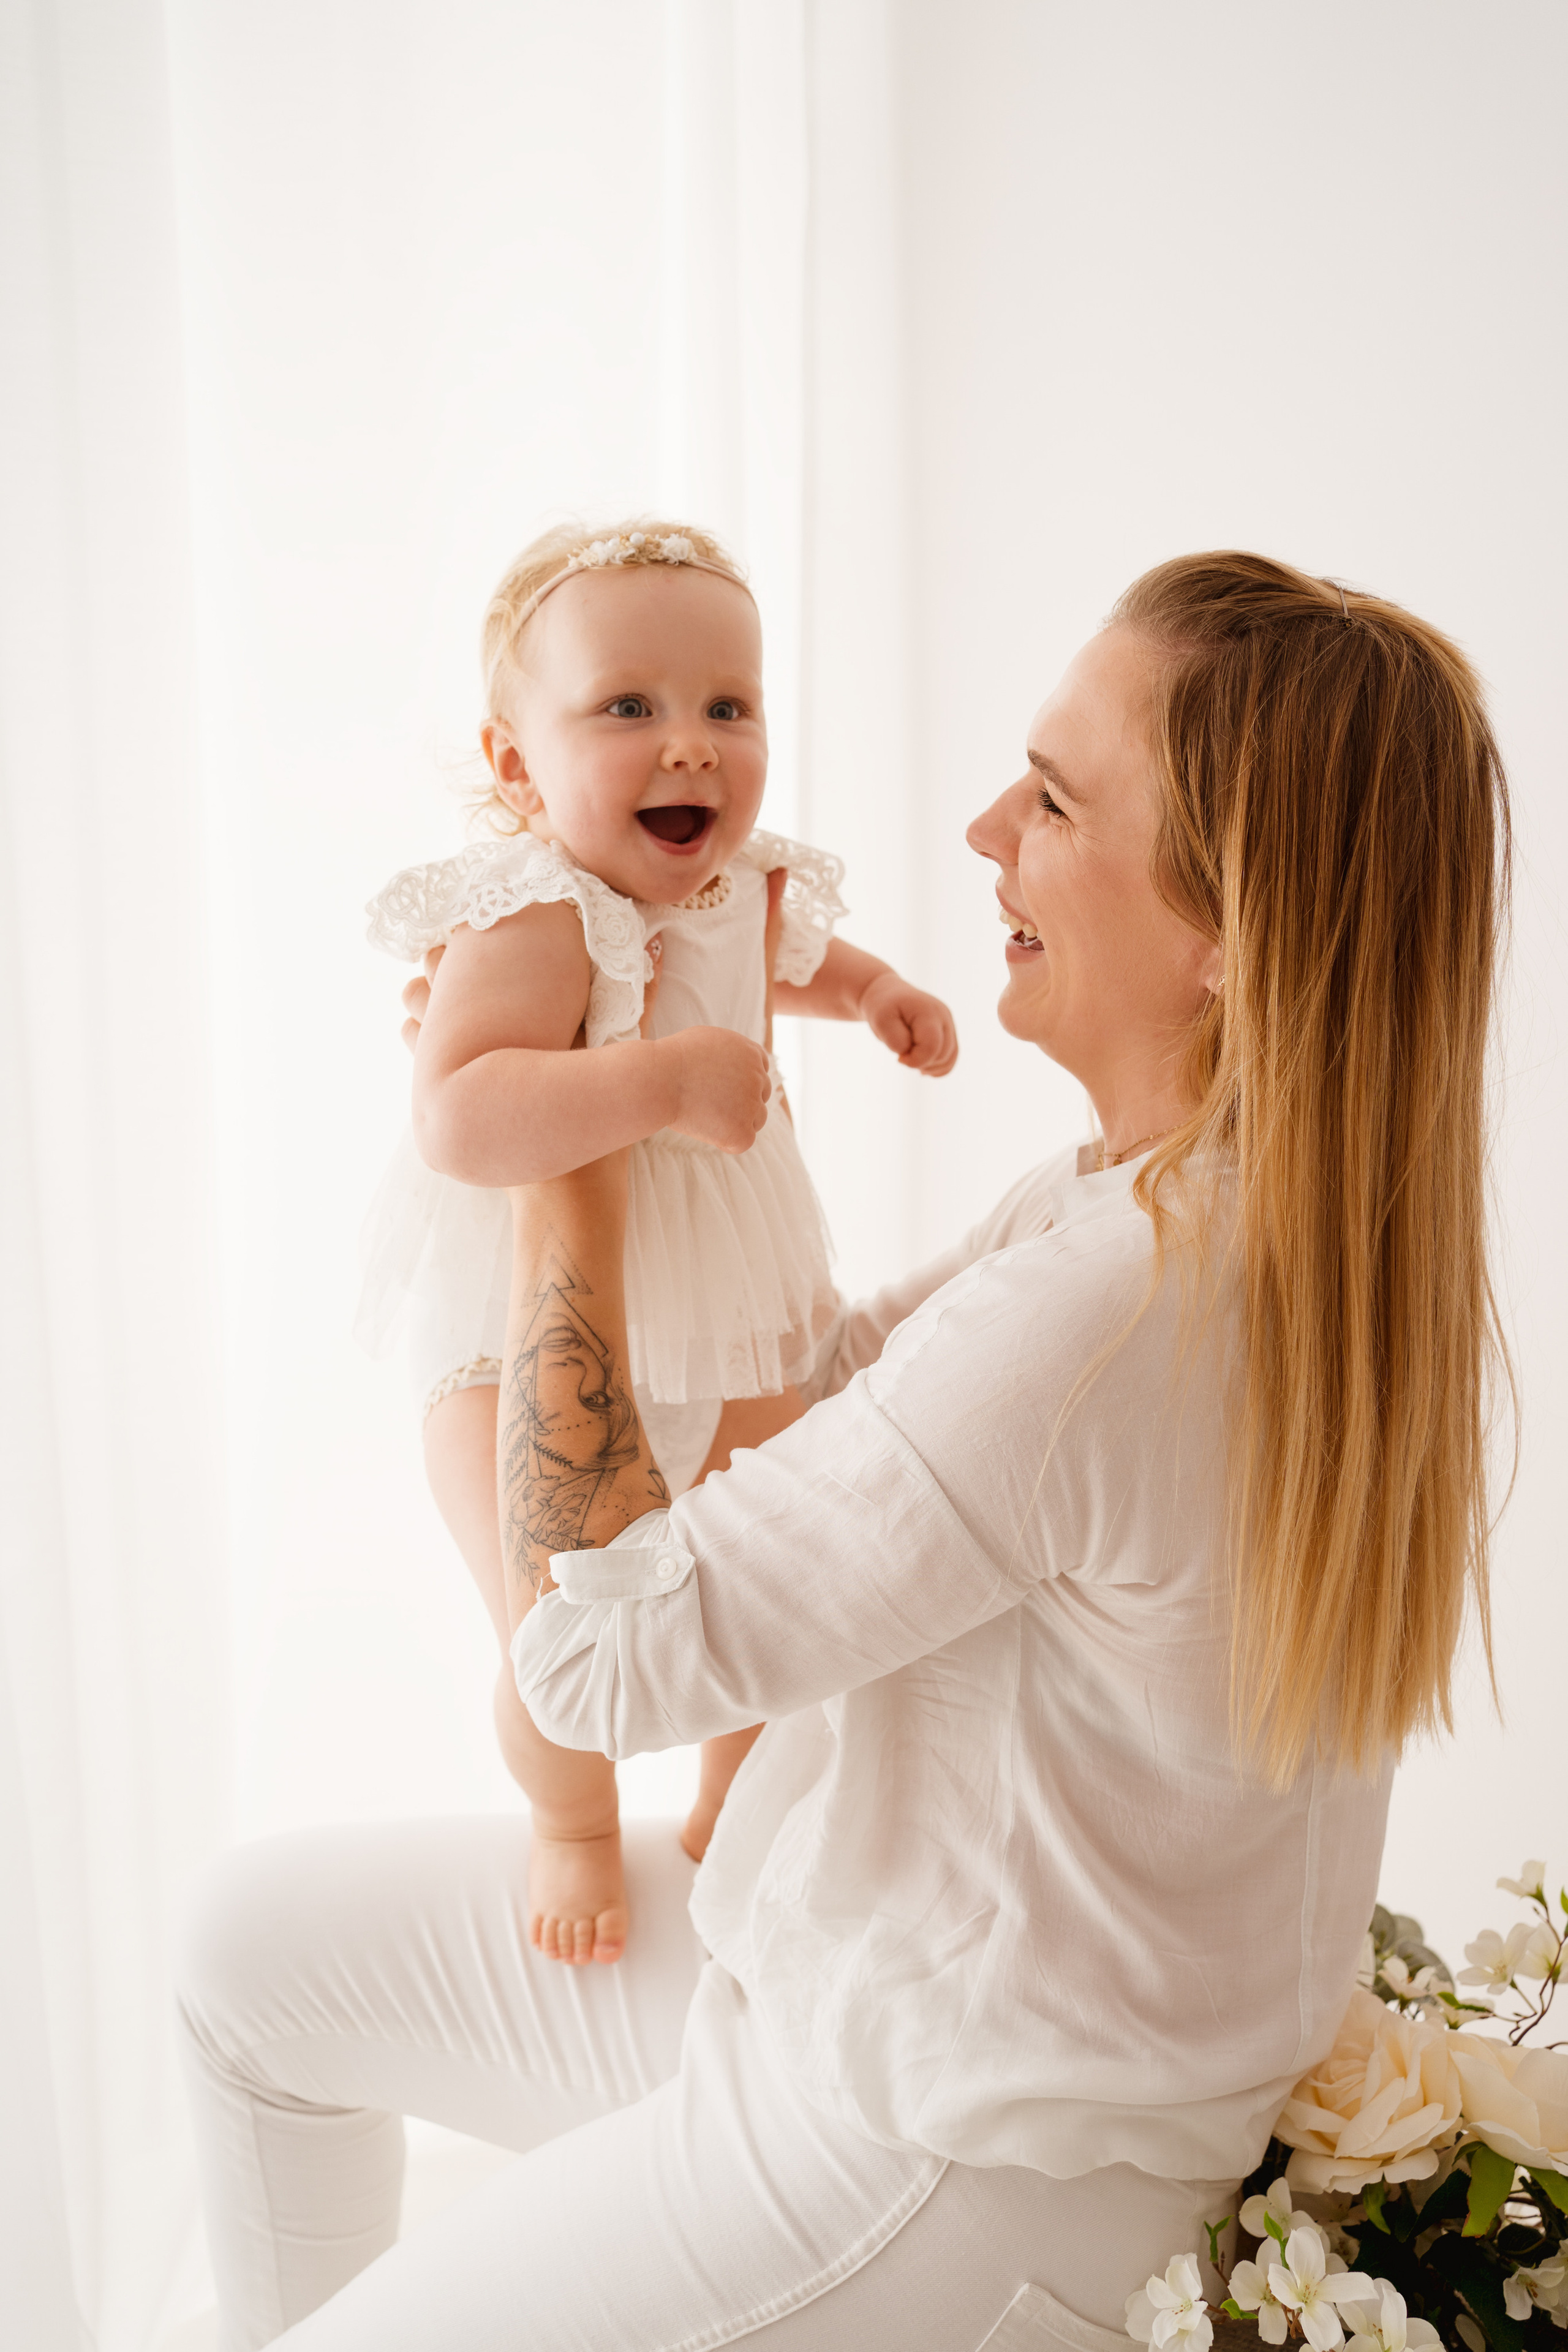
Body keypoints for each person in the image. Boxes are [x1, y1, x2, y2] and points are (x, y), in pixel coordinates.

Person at [177, 552, 1510, 2351]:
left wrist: (568, 1167)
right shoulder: (1189, 1212)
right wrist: (619, 1088)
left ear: (1231, 934)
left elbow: (589, 1664)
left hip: (940, 2147)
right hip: (846, 1976)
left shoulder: (1110, 1311)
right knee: (243, 1959)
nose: (983, 831)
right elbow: (829, 1422)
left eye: (1053, 802)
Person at [356, 518, 957, 1962]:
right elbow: (457, 1114)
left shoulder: (740, 884)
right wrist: (662, 1084)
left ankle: (733, 1789)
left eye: (727, 707)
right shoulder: (529, 910)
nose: (690, 743)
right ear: (516, 766)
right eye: (627, 706)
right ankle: (571, 1819)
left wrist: (873, 995)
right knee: (551, 1616)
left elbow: (791, 962)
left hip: (732, 1288)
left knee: (756, 1569)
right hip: (525, 1317)